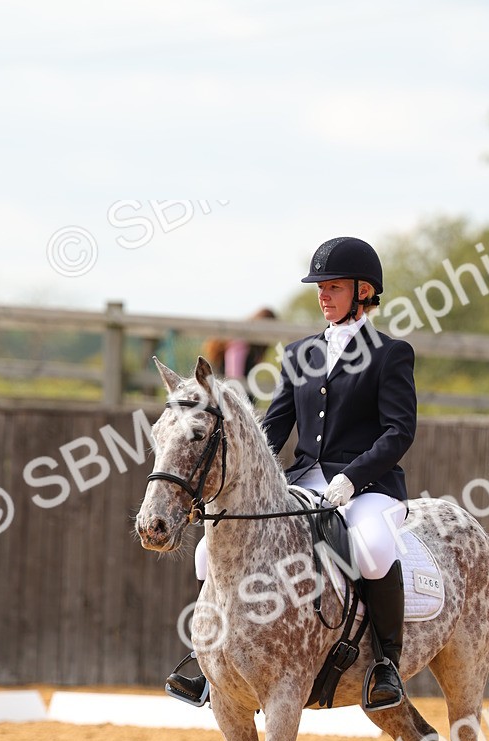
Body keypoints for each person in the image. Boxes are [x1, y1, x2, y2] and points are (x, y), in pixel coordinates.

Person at [167, 236, 417, 711]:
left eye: (334, 287)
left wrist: (352, 479)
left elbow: (398, 432)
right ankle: (208, 660)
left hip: (367, 486)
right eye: (321, 287)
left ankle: (386, 663)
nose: (323, 295)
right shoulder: (302, 352)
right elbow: (274, 427)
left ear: (364, 291)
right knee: (208, 552)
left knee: (374, 549)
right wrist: (244, 476)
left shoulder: (391, 354)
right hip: (302, 481)